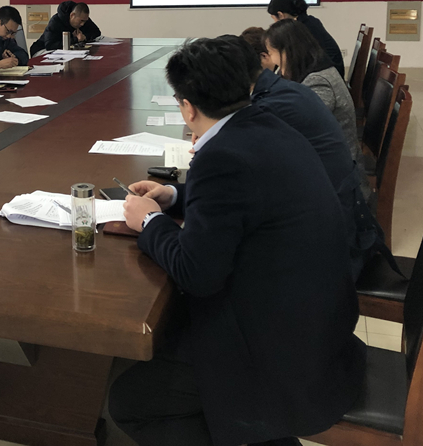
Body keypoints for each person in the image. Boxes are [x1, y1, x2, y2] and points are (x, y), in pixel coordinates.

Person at [111, 38, 365, 446]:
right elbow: (246, 197)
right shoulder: (267, 122)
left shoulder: (221, 157)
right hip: (320, 320)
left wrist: (150, 221)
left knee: (129, 404)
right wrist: (174, 195)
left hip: (281, 350)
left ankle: (250, 433)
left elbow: (197, 274)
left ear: (188, 107)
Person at [232, 33, 379, 280]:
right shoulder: (296, 86)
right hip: (337, 192)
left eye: (272, 53)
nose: (273, 62)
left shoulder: (313, 84)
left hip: (336, 221)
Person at [266, 19, 360, 162]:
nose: (272, 60)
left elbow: (302, 126)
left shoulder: (318, 80)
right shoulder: (307, 68)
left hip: (337, 162)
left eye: (270, 53)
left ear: (285, 52)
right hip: (324, 154)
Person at [267, 0, 345, 78]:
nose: (275, 23)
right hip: (332, 70)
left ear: (280, 15)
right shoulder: (309, 21)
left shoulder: (300, 28)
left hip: (327, 74)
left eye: (274, 18)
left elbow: (296, 59)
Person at [29, 1, 101, 56]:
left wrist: (84, 37)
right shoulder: (55, 21)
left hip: (63, 51)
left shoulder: (82, 17)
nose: (82, 24)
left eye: (85, 21)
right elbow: (50, 45)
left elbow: (96, 32)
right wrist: (76, 39)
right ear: (72, 15)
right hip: (42, 50)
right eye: (81, 21)